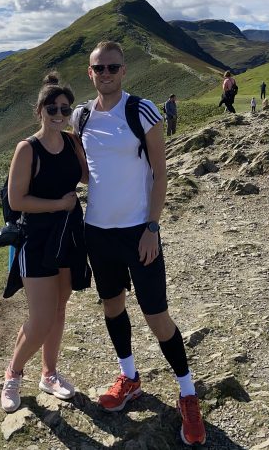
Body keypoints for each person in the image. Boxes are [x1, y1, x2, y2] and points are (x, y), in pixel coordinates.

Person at [72, 41, 206, 445]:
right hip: (97, 231)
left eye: (113, 67)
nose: (106, 73)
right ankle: (128, 377)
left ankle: (188, 394)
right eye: (100, 68)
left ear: (124, 71)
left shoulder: (141, 110)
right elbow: (87, 173)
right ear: (90, 71)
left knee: (156, 315)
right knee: (112, 305)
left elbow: (161, 174)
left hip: (138, 232)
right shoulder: (80, 117)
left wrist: (152, 227)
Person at [0, 73, 91, 413]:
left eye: (65, 109)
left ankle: (49, 374)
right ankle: (13, 374)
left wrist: (84, 137)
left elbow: (86, 177)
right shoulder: (27, 149)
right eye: (52, 108)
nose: (59, 114)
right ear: (39, 110)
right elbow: (17, 200)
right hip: (37, 239)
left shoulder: (70, 142)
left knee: (58, 310)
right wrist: (57, 204)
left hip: (68, 234)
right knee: (40, 319)